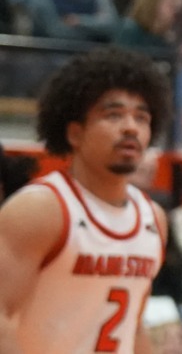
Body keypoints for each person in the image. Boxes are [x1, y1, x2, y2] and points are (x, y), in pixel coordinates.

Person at [0, 48, 170, 352]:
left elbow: (133, 328)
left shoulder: (153, 218)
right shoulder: (42, 209)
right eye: (113, 114)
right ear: (75, 134)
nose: (131, 126)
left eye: (141, 117)